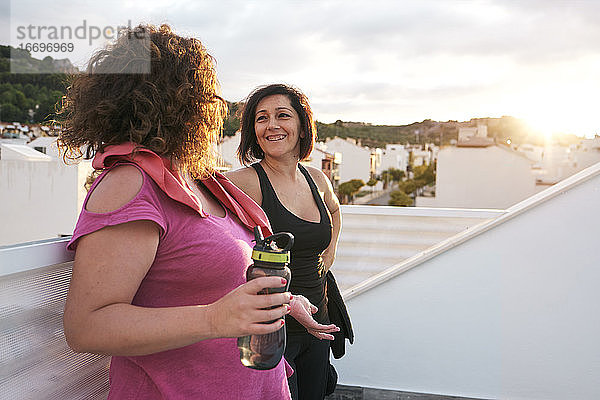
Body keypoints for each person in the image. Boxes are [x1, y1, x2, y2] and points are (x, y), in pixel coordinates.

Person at [59, 25, 335, 400]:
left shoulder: (199, 181)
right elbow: (87, 327)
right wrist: (214, 319)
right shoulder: (131, 183)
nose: (214, 105)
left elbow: (213, 285)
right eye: (205, 93)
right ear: (179, 102)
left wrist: (285, 303)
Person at [226, 84, 342, 400]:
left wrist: (328, 255)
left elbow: (334, 208)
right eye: (261, 118)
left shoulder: (316, 178)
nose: (272, 125)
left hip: (319, 324)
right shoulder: (245, 182)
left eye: (282, 115)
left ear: (302, 127)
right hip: (270, 333)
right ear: (253, 131)